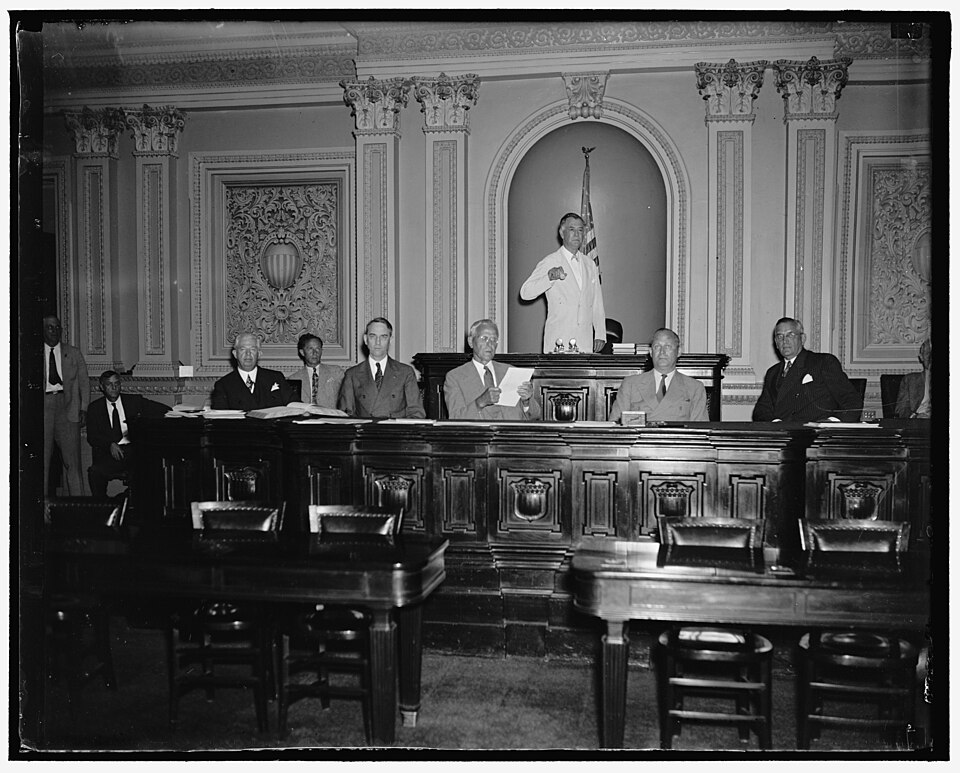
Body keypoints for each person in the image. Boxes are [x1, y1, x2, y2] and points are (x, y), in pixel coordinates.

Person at [520, 212, 606, 354]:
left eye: (580, 230)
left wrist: (600, 333)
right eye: (572, 230)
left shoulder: (589, 264)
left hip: (584, 343)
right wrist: (549, 277)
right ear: (562, 233)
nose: (577, 234)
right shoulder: (550, 261)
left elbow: (597, 301)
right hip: (559, 342)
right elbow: (525, 293)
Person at [753, 317, 862, 422]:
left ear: (802, 339)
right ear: (776, 343)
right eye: (780, 337)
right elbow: (761, 410)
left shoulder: (823, 362)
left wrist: (831, 423)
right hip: (783, 431)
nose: (785, 341)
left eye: (790, 335)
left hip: (815, 431)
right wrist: (776, 423)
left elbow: (851, 401)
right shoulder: (772, 373)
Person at [86, 370, 167, 496]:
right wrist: (109, 444)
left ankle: (137, 502)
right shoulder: (95, 408)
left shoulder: (134, 401)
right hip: (110, 454)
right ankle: (102, 505)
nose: (114, 387)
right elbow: (92, 436)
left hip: (134, 451)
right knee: (95, 472)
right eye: (109, 384)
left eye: (116, 383)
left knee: (151, 467)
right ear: (102, 387)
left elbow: (162, 409)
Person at [443, 319, 542, 421]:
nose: (489, 344)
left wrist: (526, 401)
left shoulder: (511, 371)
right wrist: (480, 402)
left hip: (512, 431)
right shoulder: (455, 377)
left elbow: (535, 416)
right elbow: (455, 418)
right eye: (484, 338)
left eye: (494, 339)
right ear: (470, 342)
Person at [609, 328, 708, 423]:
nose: (662, 352)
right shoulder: (630, 384)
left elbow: (699, 429)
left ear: (678, 352)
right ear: (651, 352)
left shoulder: (694, 388)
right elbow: (615, 426)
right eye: (657, 346)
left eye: (668, 346)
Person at [337, 317, 426, 419]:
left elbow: (416, 414)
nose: (378, 342)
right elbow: (345, 417)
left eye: (383, 337)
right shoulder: (352, 374)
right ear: (365, 339)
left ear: (390, 340)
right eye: (373, 336)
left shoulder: (405, 373)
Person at [42, 314, 89, 495]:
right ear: (43, 330)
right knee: (43, 460)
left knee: (73, 462)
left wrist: (83, 408)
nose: (54, 331)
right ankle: (41, 505)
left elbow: (84, 383)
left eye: (57, 327)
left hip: (68, 407)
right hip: (44, 408)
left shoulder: (73, 353)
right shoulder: (33, 353)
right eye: (50, 327)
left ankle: (78, 504)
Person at [211, 332, 294, 410]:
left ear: (259, 353)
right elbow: (220, 416)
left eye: (253, 349)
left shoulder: (276, 377)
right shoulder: (223, 385)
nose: (248, 354)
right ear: (235, 354)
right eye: (243, 349)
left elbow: (294, 404)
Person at [292, 333, 343, 409]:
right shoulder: (294, 378)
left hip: (330, 415)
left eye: (318, 349)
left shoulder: (336, 372)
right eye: (310, 349)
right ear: (302, 352)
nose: (314, 353)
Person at [895, 337, 932, 418]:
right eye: (928, 354)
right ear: (921, 357)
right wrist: (915, 416)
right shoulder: (910, 380)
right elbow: (901, 409)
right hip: (918, 421)